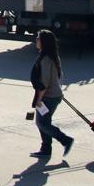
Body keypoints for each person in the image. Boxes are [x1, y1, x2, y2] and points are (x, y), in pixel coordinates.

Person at [29, 29, 74, 159]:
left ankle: (65, 140)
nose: (36, 40)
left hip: (48, 97)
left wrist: (39, 100)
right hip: (54, 95)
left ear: (43, 42)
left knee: (42, 123)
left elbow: (44, 82)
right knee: (44, 122)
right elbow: (60, 76)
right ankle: (46, 149)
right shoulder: (52, 56)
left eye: (38, 38)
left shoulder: (45, 59)